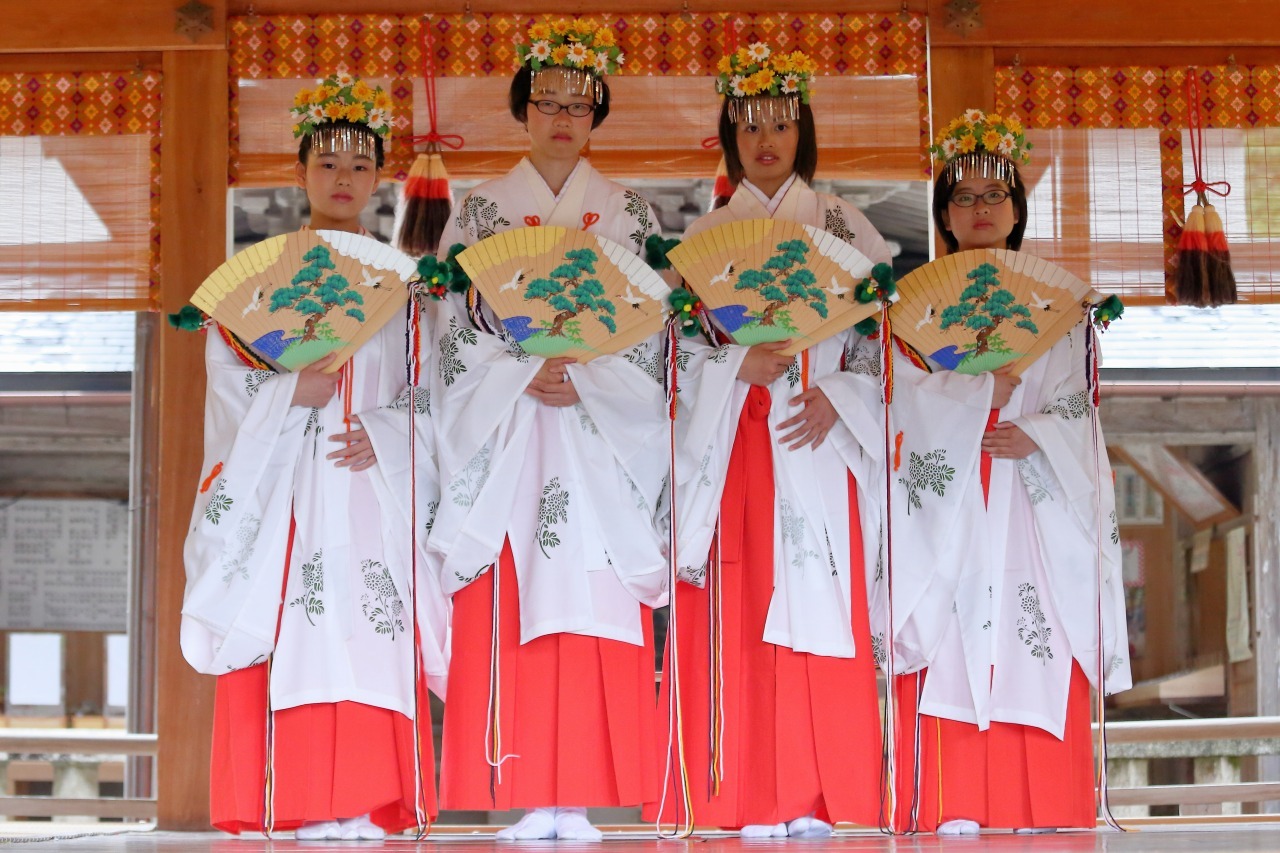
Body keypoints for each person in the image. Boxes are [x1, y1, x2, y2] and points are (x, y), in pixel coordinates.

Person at [647, 43, 981, 838]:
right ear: (731, 131)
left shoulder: (848, 227)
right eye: (751, 124)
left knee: (823, 599)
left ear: (804, 131)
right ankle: (742, 795)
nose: (766, 140)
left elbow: (886, 346)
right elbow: (673, 354)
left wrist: (839, 393)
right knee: (741, 595)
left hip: (823, 440)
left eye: (783, 124)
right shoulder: (708, 235)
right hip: (736, 443)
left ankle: (822, 791)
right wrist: (737, 366)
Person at [181, 73, 448, 841]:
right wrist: (284, 395)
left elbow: (435, 393)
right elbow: (228, 385)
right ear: (300, 171)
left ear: (379, 179)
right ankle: (292, 797)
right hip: (286, 482)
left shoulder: (405, 290)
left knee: (368, 623)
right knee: (292, 622)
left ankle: (367, 798)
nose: (342, 179)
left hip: (370, 482)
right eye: (327, 164)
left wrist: (394, 431)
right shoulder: (258, 281)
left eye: (360, 167)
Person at [425, 19, 669, 842]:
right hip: (512, 430)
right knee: (512, 589)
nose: (562, 117)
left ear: (597, 114)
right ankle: (524, 791)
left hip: (597, 433)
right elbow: (451, 327)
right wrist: (525, 369)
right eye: (546, 102)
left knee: (591, 597)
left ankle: (587, 791)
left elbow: (652, 328)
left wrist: (589, 372)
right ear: (522, 111)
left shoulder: (630, 213)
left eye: (578, 104)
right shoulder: (484, 209)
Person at [890, 109, 1131, 835]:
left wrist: (1037, 432)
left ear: (1019, 207)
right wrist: (968, 396)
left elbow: (1079, 409)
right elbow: (895, 403)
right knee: (955, 626)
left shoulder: (1062, 306)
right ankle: (952, 797)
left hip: (1033, 495)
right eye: (962, 196)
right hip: (955, 491)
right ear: (943, 214)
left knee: (1037, 630)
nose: (981, 208)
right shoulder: (908, 309)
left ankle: (1042, 799)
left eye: (996, 194)